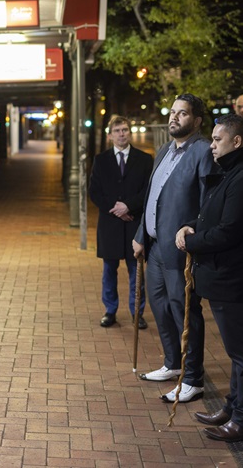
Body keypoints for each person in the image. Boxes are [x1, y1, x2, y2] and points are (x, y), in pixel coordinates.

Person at [174, 113, 243, 442]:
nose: (211, 145)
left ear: (236, 142)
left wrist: (190, 240)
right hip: (220, 276)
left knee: (242, 352)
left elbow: (229, 231)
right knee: (236, 351)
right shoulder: (230, 172)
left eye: (217, 139)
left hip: (232, 279)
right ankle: (233, 406)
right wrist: (192, 226)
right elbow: (212, 217)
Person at [132, 94, 215, 403]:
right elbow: (152, 196)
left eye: (182, 113)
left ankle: (193, 377)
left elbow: (209, 199)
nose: (175, 118)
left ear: (196, 120)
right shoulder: (165, 150)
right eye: (172, 112)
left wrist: (194, 225)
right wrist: (141, 234)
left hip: (180, 248)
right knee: (160, 306)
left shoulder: (203, 152)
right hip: (154, 246)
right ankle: (172, 363)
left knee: (184, 310)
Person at [88, 115, 153, 328]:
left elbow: (148, 191)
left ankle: (137, 313)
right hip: (110, 225)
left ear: (130, 132)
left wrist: (128, 206)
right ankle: (110, 310)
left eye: (125, 129)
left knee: (136, 272)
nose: (121, 134)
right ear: (110, 136)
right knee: (109, 271)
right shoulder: (101, 160)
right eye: (117, 131)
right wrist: (117, 209)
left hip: (134, 224)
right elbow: (94, 192)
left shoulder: (144, 160)